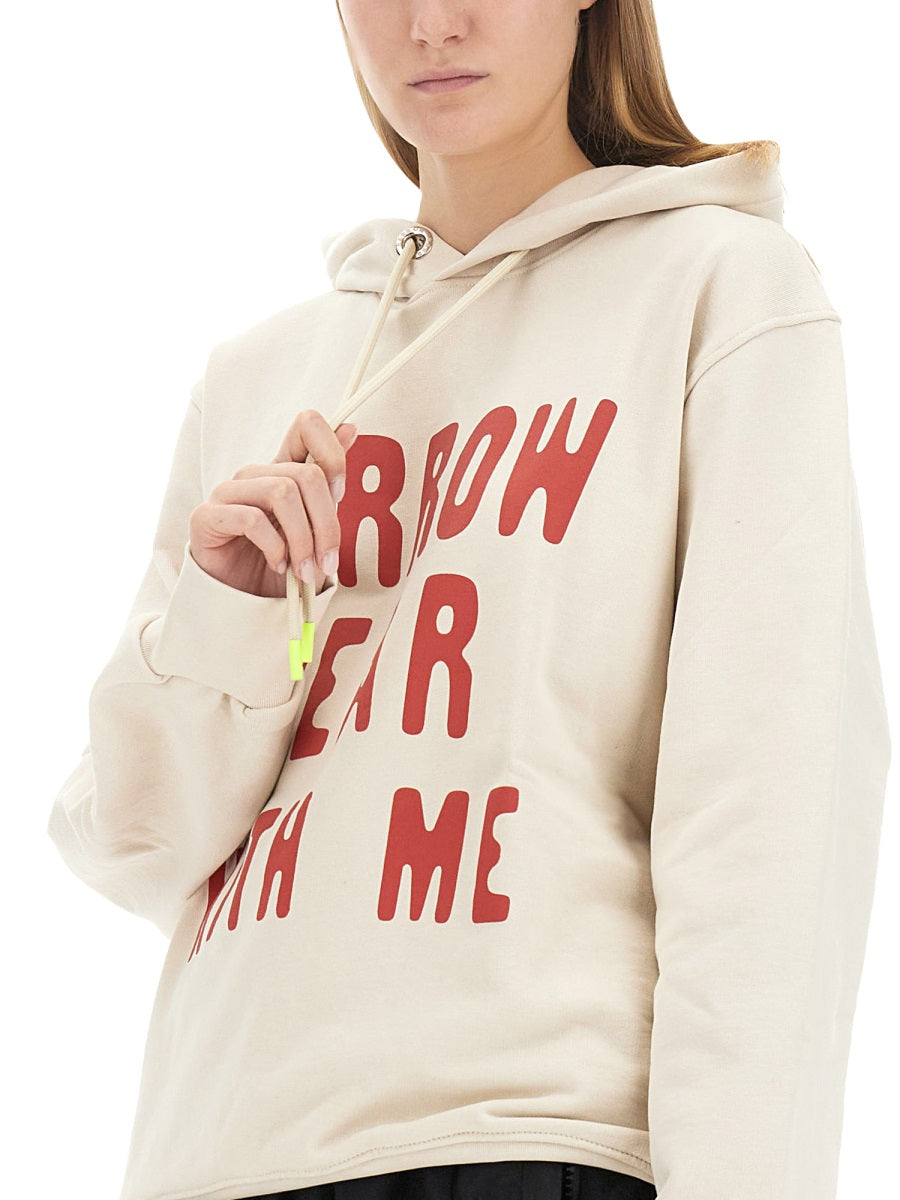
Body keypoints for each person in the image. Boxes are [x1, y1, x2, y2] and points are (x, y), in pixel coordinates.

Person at [46, 2, 892, 1199]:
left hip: (529, 1137)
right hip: (215, 1156)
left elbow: (768, 812)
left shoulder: (719, 290)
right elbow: (134, 845)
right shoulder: (260, 375)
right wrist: (226, 614)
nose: (433, 22)